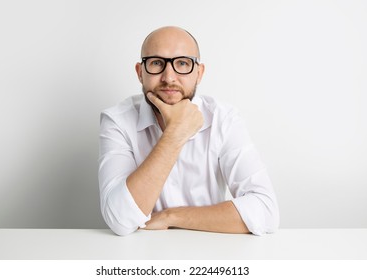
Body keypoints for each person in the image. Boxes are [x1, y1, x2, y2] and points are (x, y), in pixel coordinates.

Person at [98, 26, 279, 236]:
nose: (169, 77)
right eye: (156, 63)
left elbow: (266, 212)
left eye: (182, 63)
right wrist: (175, 133)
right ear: (140, 72)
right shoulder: (117, 120)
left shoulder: (224, 118)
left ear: (199, 73)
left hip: (210, 252)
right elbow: (119, 220)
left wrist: (171, 216)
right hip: (142, 254)